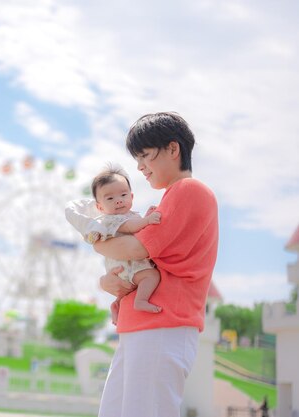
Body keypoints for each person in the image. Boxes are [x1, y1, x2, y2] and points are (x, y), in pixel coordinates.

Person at [93, 112, 218, 417]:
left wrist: (94, 239)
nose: (139, 167)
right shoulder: (169, 199)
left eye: (145, 155)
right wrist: (104, 281)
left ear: (173, 149)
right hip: (145, 326)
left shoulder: (188, 190)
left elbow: (134, 248)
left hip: (163, 325)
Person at [65, 165, 162, 325]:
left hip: (122, 268)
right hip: (128, 265)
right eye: (110, 198)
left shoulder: (130, 216)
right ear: (99, 207)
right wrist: (147, 220)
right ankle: (141, 301)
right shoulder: (109, 219)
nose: (118, 200)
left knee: (127, 289)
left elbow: (136, 228)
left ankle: (117, 305)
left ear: (131, 197)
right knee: (151, 276)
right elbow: (131, 227)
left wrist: (145, 217)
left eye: (123, 195)